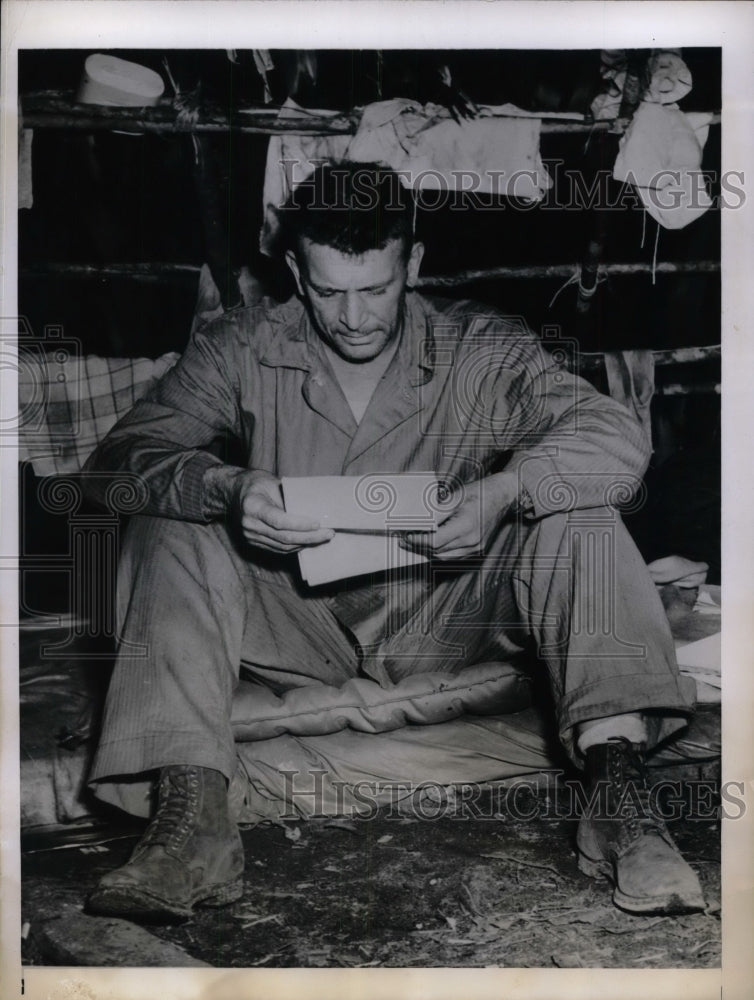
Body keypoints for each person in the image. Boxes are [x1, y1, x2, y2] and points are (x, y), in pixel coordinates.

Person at [83, 161, 703, 924]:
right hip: (294, 625)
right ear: (294, 270)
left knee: (577, 508)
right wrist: (227, 488)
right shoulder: (240, 345)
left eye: (375, 289)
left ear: (411, 263)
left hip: (446, 612)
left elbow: (613, 435)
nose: (352, 317)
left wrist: (506, 490)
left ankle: (620, 800)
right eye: (328, 290)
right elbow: (121, 459)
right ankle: (192, 824)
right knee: (172, 519)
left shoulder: (482, 346)